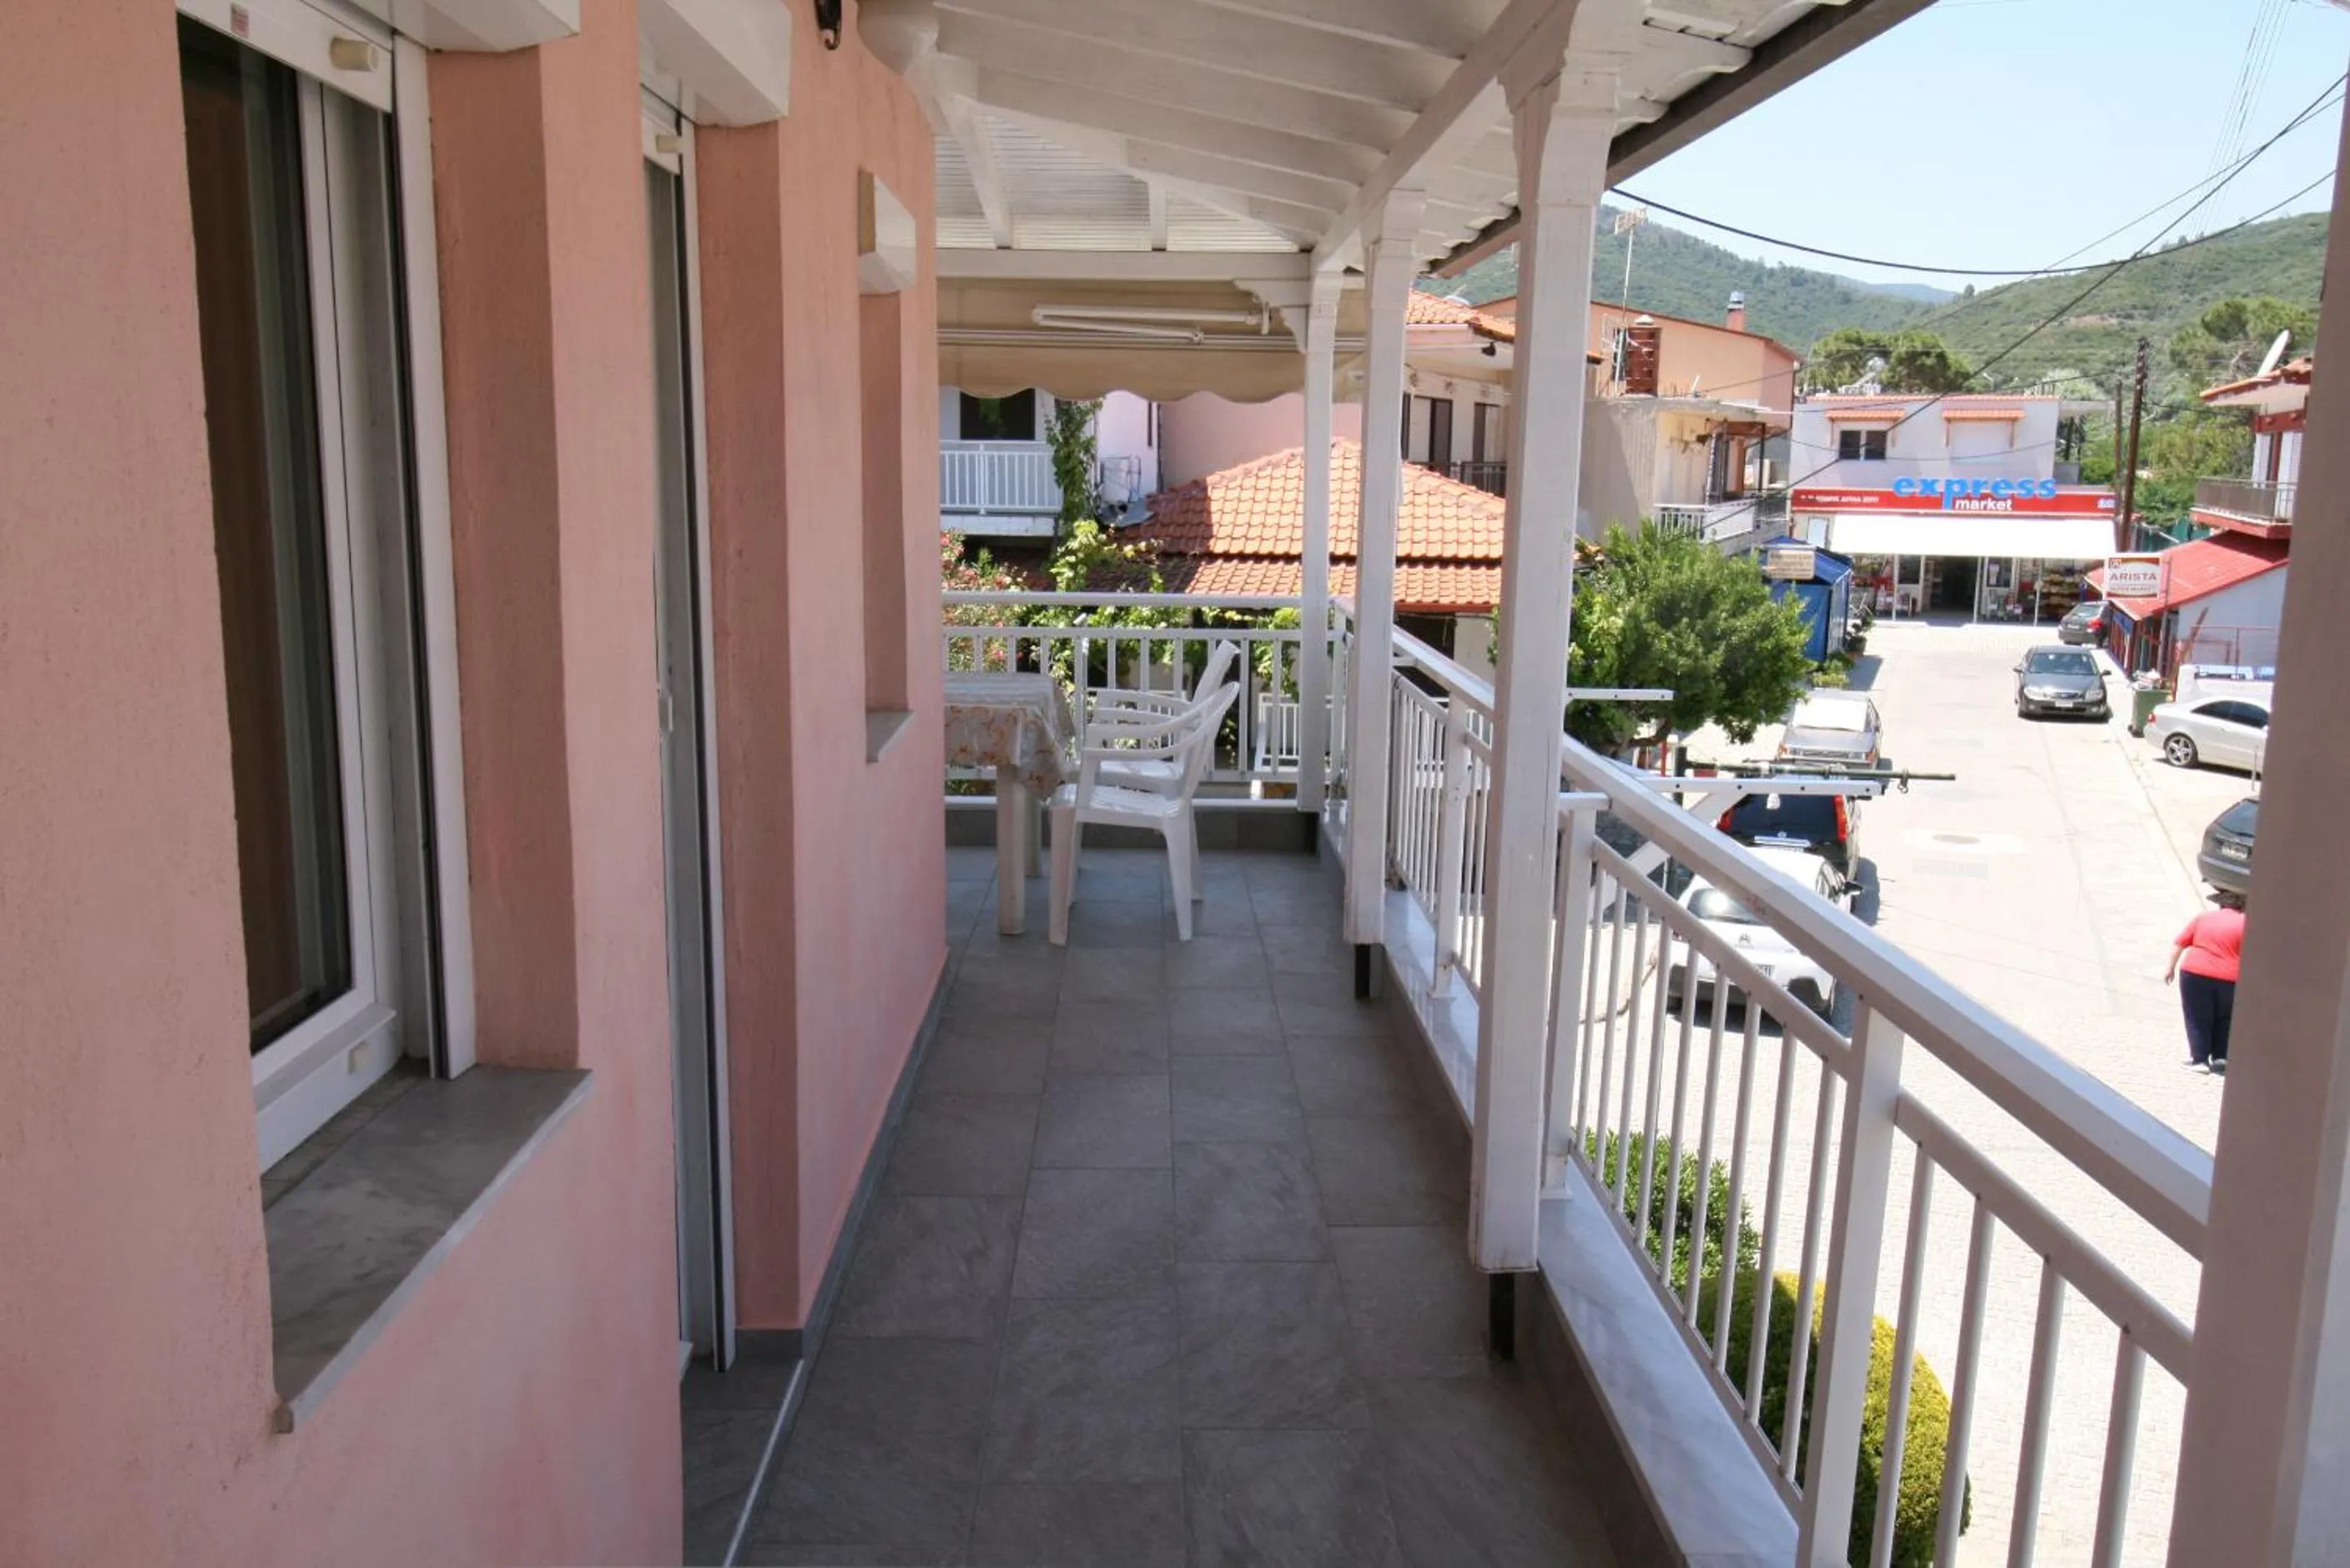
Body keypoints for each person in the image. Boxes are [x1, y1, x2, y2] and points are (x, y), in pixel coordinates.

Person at [2166, 890, 2247, 1073]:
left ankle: (2200, 1060)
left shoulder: (2203, 918)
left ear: (2220, 904)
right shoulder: (2246, 923)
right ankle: (2220, 1057)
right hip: (2230, 979)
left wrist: (2170, 968)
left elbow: (2179, 943)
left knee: (2197, 1016)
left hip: (2195, 972)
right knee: (2225, 1017)